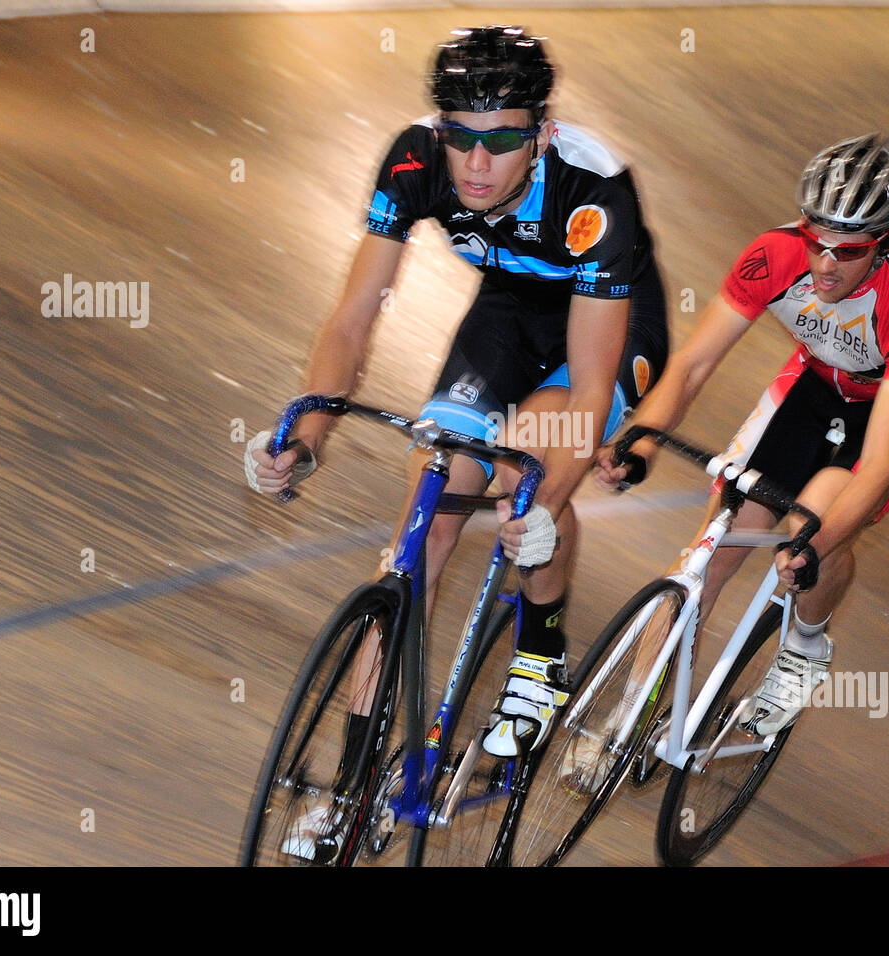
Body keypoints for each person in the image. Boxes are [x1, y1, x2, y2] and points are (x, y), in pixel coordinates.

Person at [245, 26, 668, 759]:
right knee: (425, 519)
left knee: (521, 468)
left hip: (607, 323)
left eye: (502, 143)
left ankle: (540, 657)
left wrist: (550, 500)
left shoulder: (592, 192)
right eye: (460, 138)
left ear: (542, 134)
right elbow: (350, 321)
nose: (476, 164)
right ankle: (354, 776)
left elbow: (593, 388)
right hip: (508, 310)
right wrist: (307, 436)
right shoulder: (414, 160)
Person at [597, 133, 889, 736]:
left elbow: (882, 461)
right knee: (712, 550)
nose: (825, 264)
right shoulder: (774, 253)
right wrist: (644, 437)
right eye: (818, 241)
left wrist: (818, 544)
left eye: (849, 251)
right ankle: (618, 724)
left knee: (814, 519)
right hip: (813, 386)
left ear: (887, 241)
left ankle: (805, 646)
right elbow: (692, 365)